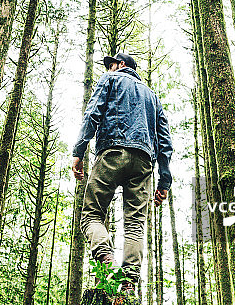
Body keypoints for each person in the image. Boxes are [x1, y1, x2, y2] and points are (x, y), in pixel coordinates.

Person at [71, 52, 173, 291]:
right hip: (144, 161)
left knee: (91, 214)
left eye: (112, 64)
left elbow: (92, 113)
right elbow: (165, 142)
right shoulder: (153, 97)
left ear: (122, 65)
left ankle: (106, 259)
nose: (109, 68)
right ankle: (128, 283)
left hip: (112, 152)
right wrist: (164, 182)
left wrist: (79, 150)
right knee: (136, 222)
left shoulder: (110, 80)